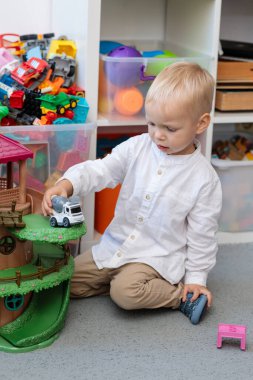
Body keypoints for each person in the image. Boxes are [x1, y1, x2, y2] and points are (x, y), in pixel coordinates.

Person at [42, 62, 222, 325]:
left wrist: (196, 279)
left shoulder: (204, 179)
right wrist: (67, 184)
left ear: (200, 123)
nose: (158, 135)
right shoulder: (138, 147)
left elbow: (202, 236)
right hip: (115, 246)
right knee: (62, 278)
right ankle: (113, 280)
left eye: (170, 129)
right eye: (151, 123)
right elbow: (100, 170)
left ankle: (178, 297)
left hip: (154, 258)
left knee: (126, 294)